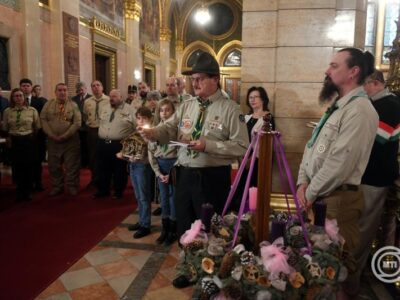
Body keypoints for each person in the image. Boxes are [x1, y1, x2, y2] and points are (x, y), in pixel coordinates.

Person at [139, 52, 249, 278]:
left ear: (215, 79)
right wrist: (152, 133)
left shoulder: (230, 108)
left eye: (200, 78)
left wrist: (208, 145)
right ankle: (188, 267)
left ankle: (210, 272)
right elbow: (168, 128)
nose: (195, 83)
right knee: (185, 225)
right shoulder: (187, 105)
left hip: (211, 178)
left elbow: (241, 147)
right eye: (193, 79)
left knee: (209, 227)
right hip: (185, 175)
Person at [296, 48, 379, 297]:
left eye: (334, 65)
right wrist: (302, 182)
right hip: (320, 196)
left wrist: (309, 192)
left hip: (337, 202)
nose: (326, 70)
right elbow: (312, 148)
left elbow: (340, 163)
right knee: (319, 268)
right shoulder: (339, 107)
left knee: (337, 271)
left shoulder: (360, 110)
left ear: (353, 72)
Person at [348, 70, 400, 293]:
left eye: (365, 85)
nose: (362, 90)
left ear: (376, 84)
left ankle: (352, 281)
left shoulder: (389, 105)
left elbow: (377, 139)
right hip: (366, 175)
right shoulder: (377, 104)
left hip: (375, 177)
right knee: (356, 227)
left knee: (364, 229)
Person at [232, 86, 275, 211]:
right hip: (244, 157)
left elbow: (265, 142)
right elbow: (240, 137)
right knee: (240, 189)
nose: (252, 100)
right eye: (250, 97)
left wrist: (252, 158)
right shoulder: (246, 117)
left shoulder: (267, 118)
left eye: (256, 97)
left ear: (263, 99)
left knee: (253, 188)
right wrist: (241, 157)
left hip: (257, 161)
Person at [118, 107, 154, 239]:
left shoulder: (151, 132)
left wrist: (145, 135)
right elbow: (132, 147)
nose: (140, 121)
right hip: (133, 165)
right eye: (138, 118)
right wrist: (126, 155)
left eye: (143, 118)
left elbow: (151, 147)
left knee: (144, 197)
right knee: (138, 196)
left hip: (143, 166)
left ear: (149, 119)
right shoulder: (136, 131)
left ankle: (146, 225)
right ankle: (141, 220)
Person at [40, 83, 81, 196]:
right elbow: (43, 120)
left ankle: (72, 186)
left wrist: (65, 135)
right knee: (54, 166)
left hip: (70, 141)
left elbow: (77, 123)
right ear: (55, 92)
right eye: (59, 90)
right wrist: (51, 134)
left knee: (72, 165)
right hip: (53, 141)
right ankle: (57, 186)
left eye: (64, 90)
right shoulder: (48, 105)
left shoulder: (73, 105)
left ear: (68, 92)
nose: (62, 92)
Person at [94, 89, 135, 199]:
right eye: (110, 96)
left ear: (121, 97)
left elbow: (136, 127)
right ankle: (103, 190)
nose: (111, 98)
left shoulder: (129, 109)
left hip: (119, 144)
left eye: (115, 96)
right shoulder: (105, 108)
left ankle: (118, 191)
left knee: (119, 169)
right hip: (103, 143)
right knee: (102, 168)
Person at [148, 99, 178, 245]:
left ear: (173, 112)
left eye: (167, 110)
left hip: (173, 165)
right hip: (160, 166)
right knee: (164, 199)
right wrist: (158, 173)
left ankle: (173, 230)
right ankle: (165, 229)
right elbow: (151, 152)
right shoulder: (154, 130)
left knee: (173, 198)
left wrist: (172, 171)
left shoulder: (175, 130)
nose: (164, 113)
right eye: (161, 110)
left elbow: (181, 150)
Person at [2, 88, 40, 201]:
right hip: (15, 141)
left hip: (28, 140)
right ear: (12, 98)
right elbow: (5, 128)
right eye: (16, 96)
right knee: (17, 166)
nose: (18, 98)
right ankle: (19, 189)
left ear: (24, 97)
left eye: (20, 96)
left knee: (28, 165)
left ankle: (28, 190)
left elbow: (37, 127)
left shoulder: (32, 110)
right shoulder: (7, 111)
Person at [20, 78, 46, 191]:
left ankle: (38, 183)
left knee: (37, 161)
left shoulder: (39, 101)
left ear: (31, 88)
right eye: (23, 85)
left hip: (37, 137)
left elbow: (44, 119)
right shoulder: (16, 101)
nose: (25, 87)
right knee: (25, 161)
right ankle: (27, 183)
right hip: (22, 138)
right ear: (20, 87)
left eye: (27, 85)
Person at [83, 80, 110, 187]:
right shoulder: (87, 101)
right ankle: (95, 179)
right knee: (93, 156)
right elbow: (85, 115)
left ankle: (107, 180)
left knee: (106, 156)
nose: (96, 87)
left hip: (105, 130)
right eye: (93, 86)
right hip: (92, 131)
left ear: (102, 87)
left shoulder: (108, 100)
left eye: (98, 85)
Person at [72, 81, 91, 168]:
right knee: (80, 146)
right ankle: (82, 162)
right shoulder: (74, 99)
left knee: (88, 145)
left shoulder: (91, 98)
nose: (81, 91)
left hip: (88, 126)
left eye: (82, 89)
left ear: (86, 88)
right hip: (78, 126)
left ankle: (88, 162)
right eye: (79, 90)